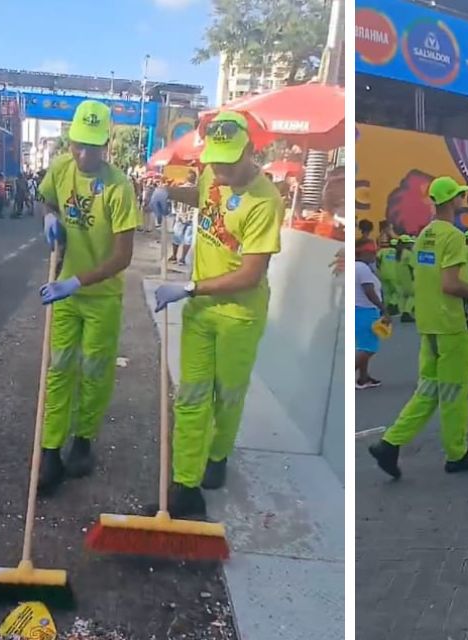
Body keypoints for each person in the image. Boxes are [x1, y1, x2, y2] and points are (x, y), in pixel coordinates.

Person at [151, 111, 285, 518]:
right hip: (201, 312)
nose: (219, 169)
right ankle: (184, 486)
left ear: (248, 150)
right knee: (192, 396)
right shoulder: (214, 172)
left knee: (226, 397)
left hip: (238, 317)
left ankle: (219, 455)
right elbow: (204, 194)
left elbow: (250, 274)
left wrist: (190, 287)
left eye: (228, 160)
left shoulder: (266, 201)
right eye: (215, 160)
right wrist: (171, 194)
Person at [34, 100, 140, 496]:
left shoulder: (119, 186)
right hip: (65, 290)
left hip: (100, 296)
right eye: (78, 145)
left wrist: (77, 281)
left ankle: (83, 441)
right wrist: (49, 217)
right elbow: (46, 198)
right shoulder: (60, 169)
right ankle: (49, 449)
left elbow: (123, 255)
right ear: (71, 140)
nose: (83, 154)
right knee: (59, 369)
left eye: (92, 147)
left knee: (95, 372)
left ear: (106, 145)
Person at [368, 176, 468, 479]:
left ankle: (390, 443)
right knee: (454, 391)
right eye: (459, 196)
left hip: (428, 324)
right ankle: (457, 453)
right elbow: (450, 284)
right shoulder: (452, 236)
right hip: (452, 325)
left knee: (429, 389)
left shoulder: (425, 235)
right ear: (452, 201)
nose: (461, 200)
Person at [355, 240, 389, 389]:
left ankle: (363, 378)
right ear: (362, 252)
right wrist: (383, 308)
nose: (374, 255)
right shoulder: (362, 268)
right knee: (368, 348)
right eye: (371, 252)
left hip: (361, 309)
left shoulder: (360, 267)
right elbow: (369, 291)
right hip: (365, 310)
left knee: (365, 344)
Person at [376, 237, 400, 316]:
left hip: (383, 274)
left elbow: (377, 260)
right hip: (395, 274)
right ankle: (392, 304)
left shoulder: (382, 251)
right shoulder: (398, 252)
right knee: (397, 291)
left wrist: (380, 268)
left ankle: (386, 308)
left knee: (386, 292)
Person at [396, 234, 415, 322]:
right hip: (409, 278)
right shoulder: (408, 253)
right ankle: (407, 313)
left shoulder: (398, 254)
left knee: (403, 297)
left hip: (400, 279)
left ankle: (403, 312)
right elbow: (412, 266)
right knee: (414, 295)